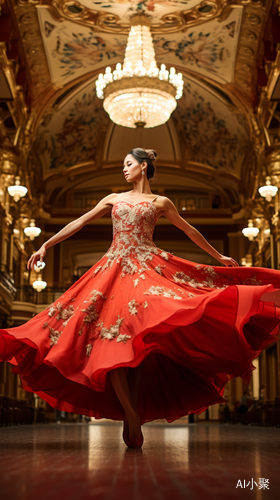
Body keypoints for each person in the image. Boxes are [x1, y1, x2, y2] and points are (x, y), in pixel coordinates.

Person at [1, 147, 280, 449]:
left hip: (147, 268)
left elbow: (189, 230)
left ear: (144, 167)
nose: (124, 169)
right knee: (112, 343)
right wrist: (45, 244)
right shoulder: (113, 199)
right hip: (113, 270)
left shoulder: (161, 202)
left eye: (129, 164)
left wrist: (218, 255)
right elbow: (78, 223)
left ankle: (131, 413)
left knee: (135, 349)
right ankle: (131, 414)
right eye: (123, 165)